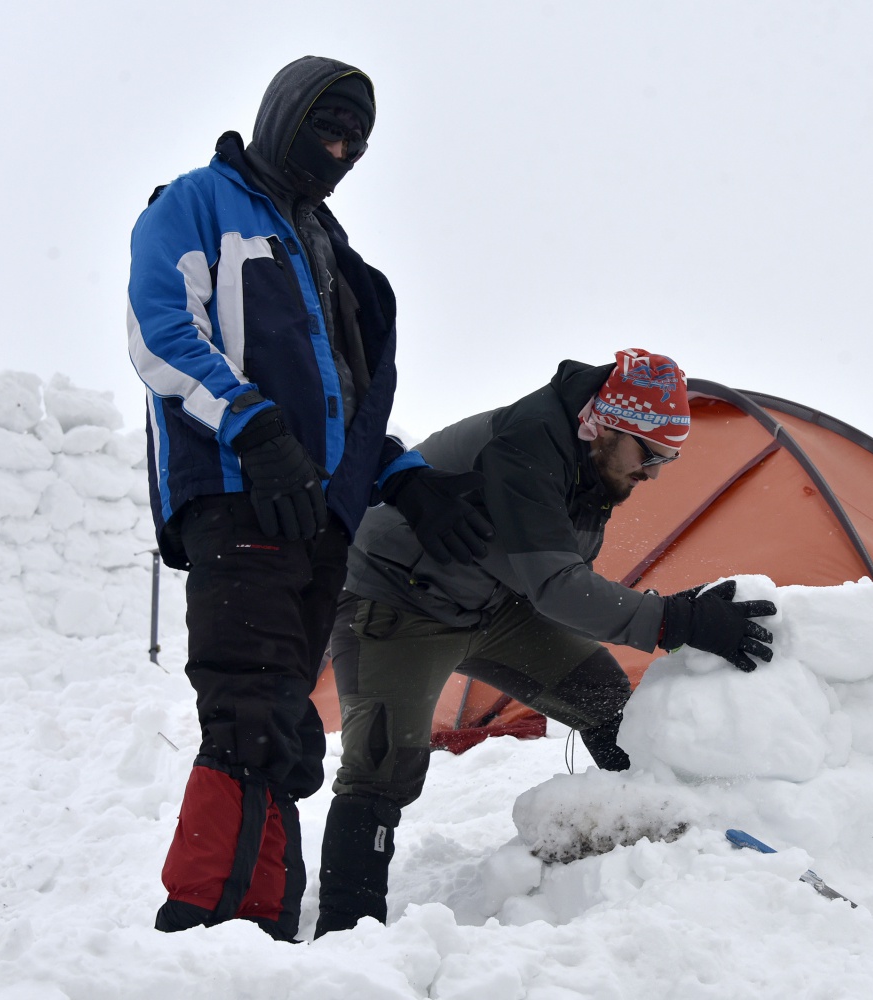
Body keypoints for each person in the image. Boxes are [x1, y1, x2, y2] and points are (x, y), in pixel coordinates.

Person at [126, 55, 492, 941]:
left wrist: (397, 476)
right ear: (282, 115)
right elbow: (163, 330)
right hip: (237, 494)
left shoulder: (325, 247)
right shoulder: (197, 204)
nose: (339, 148)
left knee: (288, 731)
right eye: (326, 126)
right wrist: (253, 429)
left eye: (355, 140)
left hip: (315, 520)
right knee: (248, 715)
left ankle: (266, 931)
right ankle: (204, 927)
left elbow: (341, 399)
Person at [314, 348, 778, 936]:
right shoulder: (529, 443)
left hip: (492, 603)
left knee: (602, 693)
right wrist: (679, 621)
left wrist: (673, 615)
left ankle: (646, 845)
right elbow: (559, 588)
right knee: (383, 765)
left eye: (670, 457)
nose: (656, 472)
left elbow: (552, 574)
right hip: (399, 600)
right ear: (609, 425)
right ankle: (346, 940)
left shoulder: (596, 458)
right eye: (651, 453)